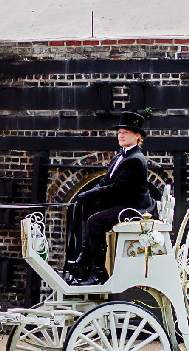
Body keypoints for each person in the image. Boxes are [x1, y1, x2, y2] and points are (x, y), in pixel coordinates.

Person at [62, 111, 155, 285]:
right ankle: (83, 260)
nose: (121, 135)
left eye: (125, 132)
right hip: (122, 201)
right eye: (119, 132)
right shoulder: (119, 157)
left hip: (134, 207)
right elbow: (106, 181)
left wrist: (89, 193)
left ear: (137, 136)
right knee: (87, 207)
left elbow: (118, 188)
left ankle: (98, 272)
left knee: (95, 221)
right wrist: (87, 195)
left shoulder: (135, 159)